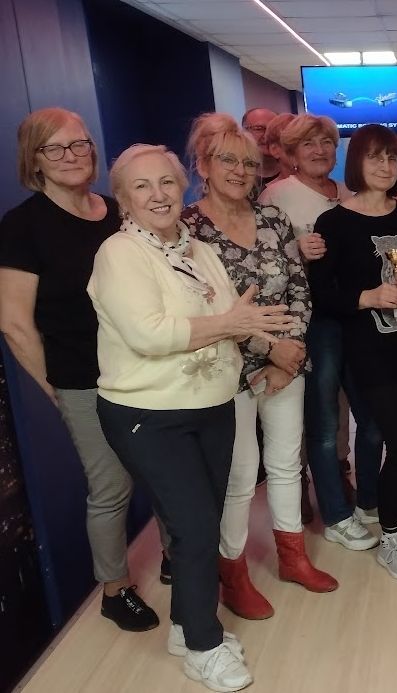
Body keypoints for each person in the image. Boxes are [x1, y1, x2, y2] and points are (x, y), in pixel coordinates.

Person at [90, 144, 298, 691]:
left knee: (198, 524)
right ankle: (204, 648)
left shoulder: (197, 248)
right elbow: (150, 334)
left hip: (211, 405)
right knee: (196, 526)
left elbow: (231, 314)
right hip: (149, 413)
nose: (158, 194)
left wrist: (260, 336)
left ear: (182, 186)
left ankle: (187, 625)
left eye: (166, 182)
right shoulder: (119, 253)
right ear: (123, 199)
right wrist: (233, 323)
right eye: (142, 186)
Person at [0, 108, 160, 632]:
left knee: (165, 470)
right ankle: (116, 590)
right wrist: (56, 389)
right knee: (111, 487)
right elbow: (15, 324)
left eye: (79, 144)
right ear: (34, 160)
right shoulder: (23, 226)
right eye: (55, 148)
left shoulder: (117, 211)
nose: (71, 156)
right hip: (83, 381)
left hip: (146, 370)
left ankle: (178, 559)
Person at [183, 113, 336, 621]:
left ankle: (293, 558)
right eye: (227, 159)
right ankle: (234, 576)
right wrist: (266, 350)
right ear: (203, 165)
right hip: (226, 367)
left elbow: (299, 287)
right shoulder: (188, 229)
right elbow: (202, 307)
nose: (240, 170)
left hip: (286, 361)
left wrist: (290, 351)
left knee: (287, 462)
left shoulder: (273, 217)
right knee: (241, 474)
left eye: (248, 162)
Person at [308, 124, 397, 580]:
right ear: (357, 163)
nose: (385, 166)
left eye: (391, 158)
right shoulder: (333, 223)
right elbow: (323, 294)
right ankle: (388, 538)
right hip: (371, 352)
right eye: (375, 157)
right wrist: (367, 296)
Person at [260, 115, 381, 543]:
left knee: (371, 416)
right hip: (314, 322)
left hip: (360, 316)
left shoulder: (349, 193)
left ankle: (369, 500)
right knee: (325, 422)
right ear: (291, 153)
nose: (319, 150)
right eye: (308, 144)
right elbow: (263, 262)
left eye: (327, 142)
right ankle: (336, 514)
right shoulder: (277, 196)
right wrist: (297, 251)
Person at [242, 107, 279, 191]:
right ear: (244, 132)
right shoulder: (235, 175)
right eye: (259, 129)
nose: (266, 135)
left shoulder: (293, 175)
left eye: (272, 129)